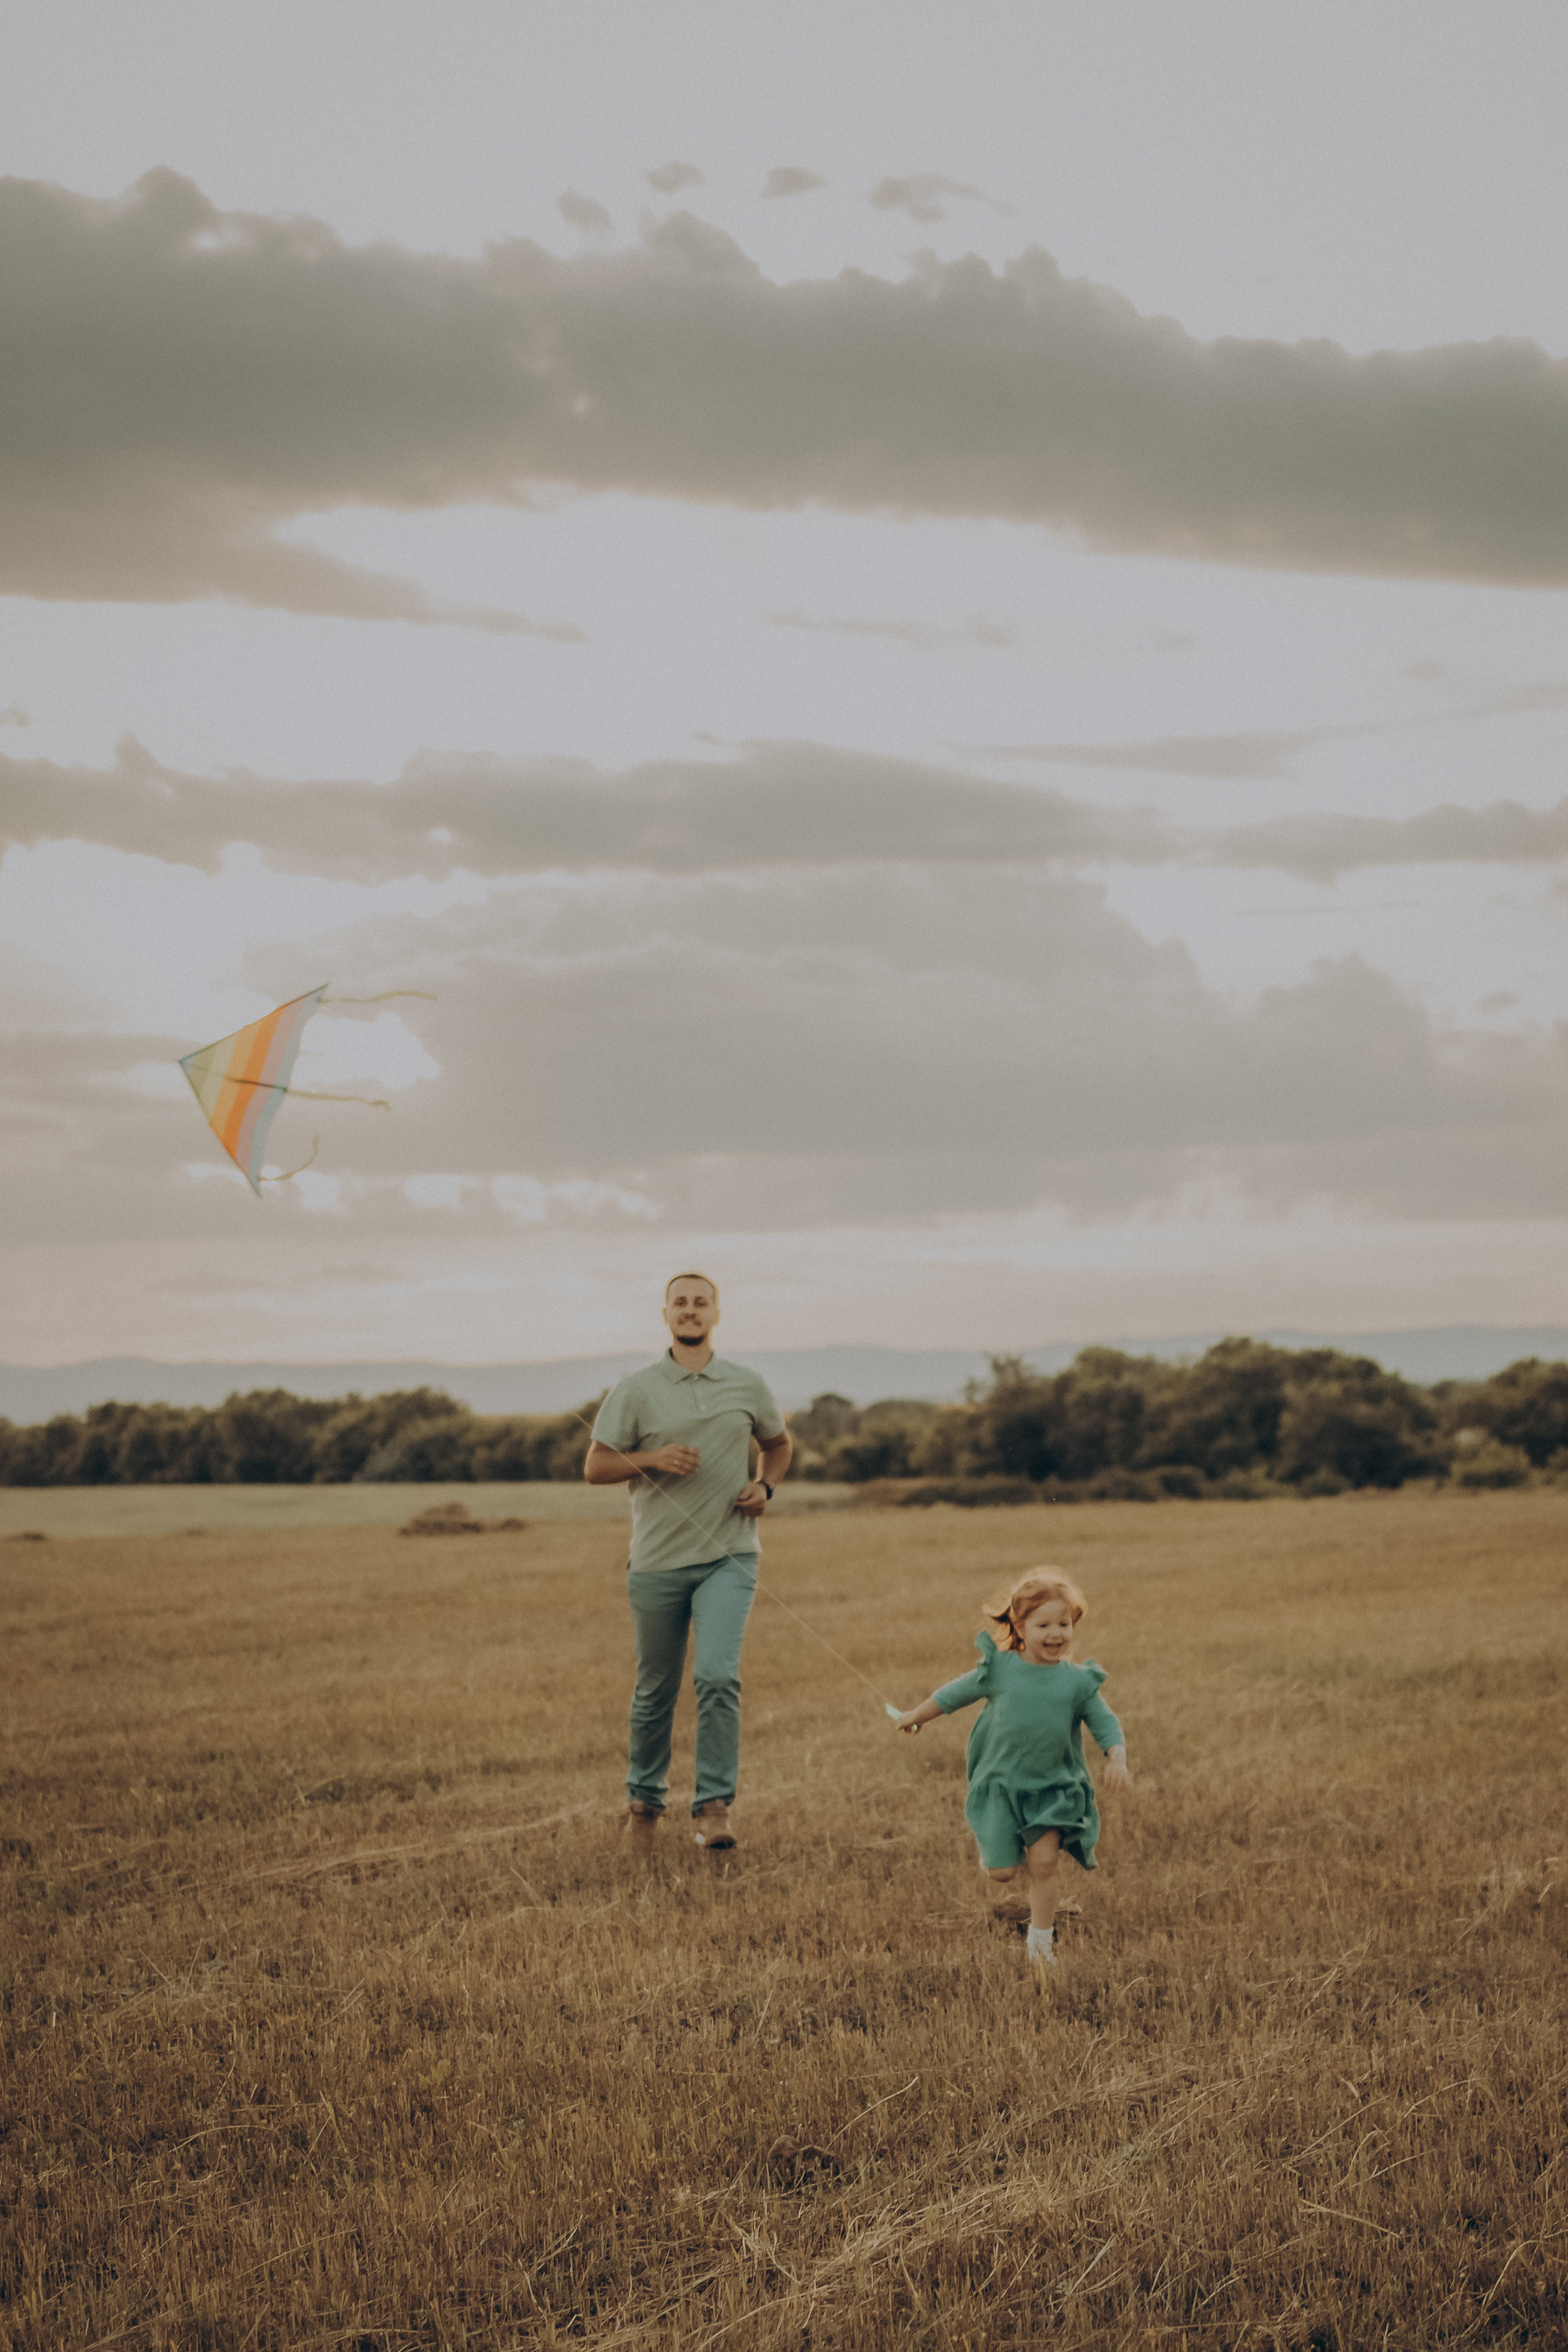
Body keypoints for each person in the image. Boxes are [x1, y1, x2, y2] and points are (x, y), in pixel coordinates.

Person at [585, 1273, 792, 1854]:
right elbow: (596, 1467)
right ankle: (644, 1809)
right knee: (655, 1690)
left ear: (717, 1314)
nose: (691, 1311)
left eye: (702, 1303)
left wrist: (765, 1488)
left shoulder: (746, 1383)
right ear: (666, 1315)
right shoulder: (637, 1389)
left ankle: (715, 1808)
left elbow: (778, 1445)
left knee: (718, 1676)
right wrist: (653, 1458)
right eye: (682, 1303)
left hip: (730, 1556)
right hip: (656, 1562)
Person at [893, 1567, 1129, 1968]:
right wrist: (915, 1715)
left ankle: (1041, 1944)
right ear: (1019, 1627)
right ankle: (1000, 1846)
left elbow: (1105, 1722)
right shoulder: (999, 1670)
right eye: (1044, 1625)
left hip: (1054, 1789)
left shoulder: (1077, 1681)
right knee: (1002, 1872)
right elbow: (952, 1695)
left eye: (1064, 1624)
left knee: (1044, 1864)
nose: (1056, 1634)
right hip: (1002, 1784)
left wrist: (1117, 1757)